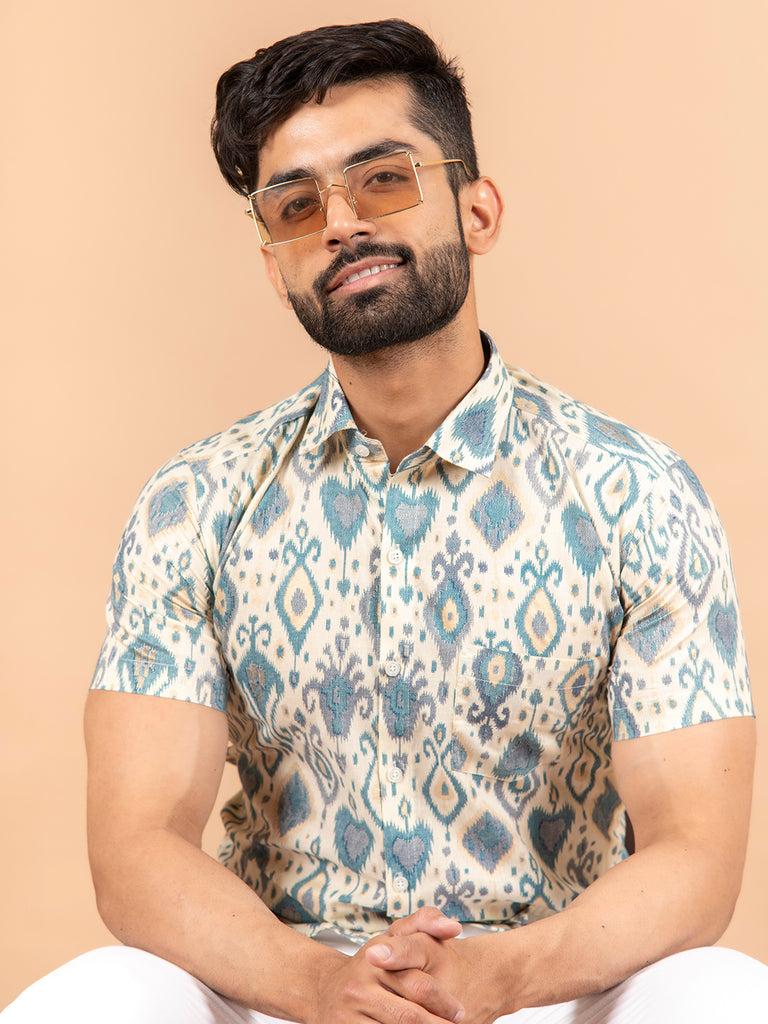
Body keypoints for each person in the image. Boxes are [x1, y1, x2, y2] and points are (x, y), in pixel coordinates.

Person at [3, 17, 766, 1024]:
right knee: (88, 999)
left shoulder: (638, 494)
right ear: (274, 263)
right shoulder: (196, 502)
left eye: (384, 180)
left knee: (727, 996)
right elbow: (136, 846)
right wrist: (320, 984)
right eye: (296, 203)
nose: (340, 224)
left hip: (549, 985)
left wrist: (498, 977)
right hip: (282, 985)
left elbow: (695, 853)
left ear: (478, 210)